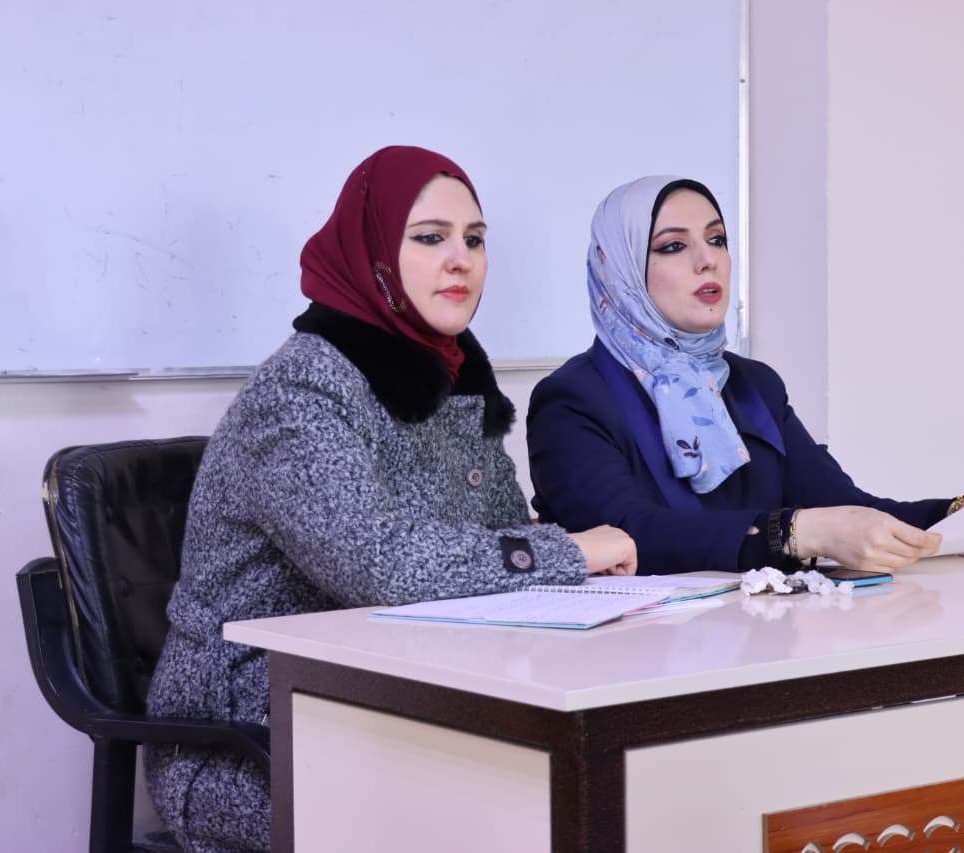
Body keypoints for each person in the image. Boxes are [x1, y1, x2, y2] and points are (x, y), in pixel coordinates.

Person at [145, 146, 636, 853]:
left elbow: (499, 527)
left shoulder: (451, 372)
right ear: (371, 254)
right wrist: (565, 550)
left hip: (402, 707)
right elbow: (382, 565)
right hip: (255, 739)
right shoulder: (300, 391)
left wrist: (560, 557)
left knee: (594, 794)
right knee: (504, 819)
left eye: (475, 239)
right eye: (431, 238)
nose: (461, 260)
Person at [526, 175, 964, 576]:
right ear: (617, 269)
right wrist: (795, 532)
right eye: (673, 246)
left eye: (717, 239)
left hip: (767, 641)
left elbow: (847, 510)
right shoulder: (572, 399)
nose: (708, 261)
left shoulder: (752, 385)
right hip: (637, 659)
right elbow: (626, 536)